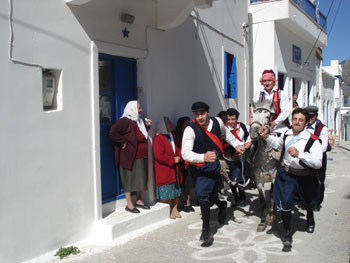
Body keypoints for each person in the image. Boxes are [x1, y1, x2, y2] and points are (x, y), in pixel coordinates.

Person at [259, 108, 323, 252]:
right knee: (285, 203)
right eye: (295, 119)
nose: (297, 122)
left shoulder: (313, 140)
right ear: (291, 120)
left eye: (301, 120)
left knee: (308, 201)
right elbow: (277, 144)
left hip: (305, 176)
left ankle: (310, 217)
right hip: (287, 174)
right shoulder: (286, 134)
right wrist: (266, 136)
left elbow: (318, 163)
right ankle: (287, 234)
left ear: (306, 123)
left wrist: (300, 154)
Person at [181, 101, 246, 243]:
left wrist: (237, 145)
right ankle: (221, 206)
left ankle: (206, 230)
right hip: (199, 167)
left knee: (204, 194)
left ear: (208, 112)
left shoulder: (217, 122)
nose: (200, 117)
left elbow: (227, 135)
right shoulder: (190, 129)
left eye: (202, 114)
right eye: (196, 114)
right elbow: (185, 153)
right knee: (206, 194)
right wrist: (202, 157)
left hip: (215, 165)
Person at [109, 101, 152, 213]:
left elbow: (141, 135)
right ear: (132, 108)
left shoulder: (139, 121)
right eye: (139, 108)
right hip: (129, 156)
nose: (141, 110)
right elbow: (112, 132)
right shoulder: (125, 121)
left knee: (141, 178)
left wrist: (147, 126)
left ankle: (139, 200)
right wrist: (122, 142)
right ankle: (129, 204)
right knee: (128, 179)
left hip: (141, 155)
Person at [153, 117, 183, 219]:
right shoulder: (159, 138)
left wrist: (179, 156)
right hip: (165, 169)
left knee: (175, 190)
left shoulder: (173, 135)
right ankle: (168, 210)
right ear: (163, 126)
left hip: (175, 168)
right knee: (166, 191)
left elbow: (179, 147)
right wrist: (172, 160)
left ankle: (175, 209)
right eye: (169, 124)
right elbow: (159, 155)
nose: (171, 125)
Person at [223, 108, 252, 207]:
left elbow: (251, 134)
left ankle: (242, 197)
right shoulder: (224, 129)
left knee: (240, 178)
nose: (231, 122)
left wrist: (249, 142)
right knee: (231, 180)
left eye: (233, 119)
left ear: (237, 119)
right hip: (228, 158)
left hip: (239, 158)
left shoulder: (243, 126)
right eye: (229, 119)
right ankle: (236, 198)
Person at [305, 105, 330, 212]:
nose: (310, 119)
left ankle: (317, 202)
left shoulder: (322, 128)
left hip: (318, 156)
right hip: (305, 156)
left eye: (312, 116)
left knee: (319, 180)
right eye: (308, 116)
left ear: (316, 116)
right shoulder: (304, 126)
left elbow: (323, 147)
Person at [253, 69, 291, 136]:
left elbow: (286, 111)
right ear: (262, 82)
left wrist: (275, 122)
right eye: (264, 81)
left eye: (269, 80)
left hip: (279, 128)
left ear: (273, 82)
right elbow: (254, 111)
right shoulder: (258, 95)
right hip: (262, 128)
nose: (267, 83)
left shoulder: (281, 94)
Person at [173, 116, 194, 213]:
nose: (188, 126)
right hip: (180, 161)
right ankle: (182, 202)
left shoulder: (190, 133)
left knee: (187, 183)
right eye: (186, 124)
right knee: (180, 183)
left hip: (188, 161)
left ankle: (188, 202)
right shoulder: (176, 135)